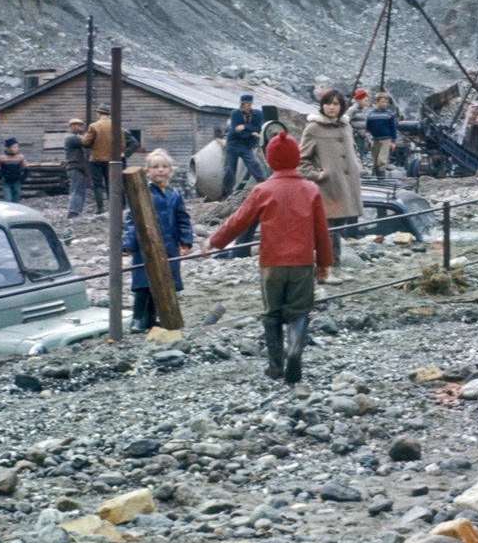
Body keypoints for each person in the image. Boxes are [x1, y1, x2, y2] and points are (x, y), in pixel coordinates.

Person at [203, 131, 333, 384]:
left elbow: (238, 221)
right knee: (299, 311)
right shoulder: (311, 189)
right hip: (302, 264)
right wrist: (324, 263)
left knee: (272, 314)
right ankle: (295, 349)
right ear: (297, 159)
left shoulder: (262, 190)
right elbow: (321, 231)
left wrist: (214, 241)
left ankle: (275, 366)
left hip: (271, 265)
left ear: (270, 161)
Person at [122, 149, 192, 333]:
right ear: (147, 172)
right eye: (155, 167)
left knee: (163, 283)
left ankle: (153, 318)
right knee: (144, 285)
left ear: (170, 170)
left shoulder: (174, 195)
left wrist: (185, 241)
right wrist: (129, 243)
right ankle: (138, 319)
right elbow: (131, 219)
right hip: (145, 247)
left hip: (169, 245)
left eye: (164, 166)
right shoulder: (143, 193)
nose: (160, 170)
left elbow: (183, 219)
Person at [299, 89, 363, 270]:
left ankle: (336, 266)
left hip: (346, 186)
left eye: (336, 104)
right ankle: (325, 269)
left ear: (342, 106)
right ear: (322, 106)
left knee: (338, 229)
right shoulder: (313, 128)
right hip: (327, 187)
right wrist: (316, 174)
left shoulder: (346, 126)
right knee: (326, 231)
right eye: (328, 103)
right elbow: (301, 159)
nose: (331, 108)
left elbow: (353, 150)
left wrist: (357, 166)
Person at [81, 103, 140, 214]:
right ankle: (116, 207)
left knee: (97, 183)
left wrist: (95, 144)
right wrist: (122, 153)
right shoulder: (117, 126)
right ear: (108, 114)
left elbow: (85, 142)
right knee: (113, 183)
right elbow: (123, 144)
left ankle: (100, 209)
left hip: (96, 159)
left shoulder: (94, 126)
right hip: (113, 160)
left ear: (98, 113)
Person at [221, 94, 266, 198]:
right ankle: (227, 193)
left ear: (249, 104)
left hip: (246, 145)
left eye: (244, 103)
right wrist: (251, 133)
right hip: (233, 144)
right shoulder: (235, 114)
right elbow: (236, 131)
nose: (242, 105)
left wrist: (245, 126)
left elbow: (258, 129)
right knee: (230, 169)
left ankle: (263, 185)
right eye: (241, 103)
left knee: (254, 163)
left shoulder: (258, 114)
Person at [365, 92, 397, 178]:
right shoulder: (371, 114)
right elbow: (367, 127)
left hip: (386, 139)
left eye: (385, 102)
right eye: (382, 102)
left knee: (381, 161)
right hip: (374, 139)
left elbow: (393, 128)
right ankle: (376, 179)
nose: (384, 104)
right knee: (375, 162)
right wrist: (367, 138)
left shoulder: (389, 114)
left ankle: (381, 180)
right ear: (377, 101)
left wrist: (393, 141)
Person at [0, 137, 28, 203]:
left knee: (16, 199)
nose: (16, 149)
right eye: (13, 147)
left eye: (17, 147)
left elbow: (26, 169)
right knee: (8, 199)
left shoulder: (20, 157)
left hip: (16, 181)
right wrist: (1, 177)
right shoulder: (2, 157)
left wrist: (21, 178)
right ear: (8, 148)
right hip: (6, 181)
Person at [64, 118, 88, 218]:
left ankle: (76, 211)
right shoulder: (71, 137)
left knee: (79, 189)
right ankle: (73, 212)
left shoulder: (73, 137)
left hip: (77, 167)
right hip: (75, 166)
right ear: (72, 126)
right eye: (78, 126)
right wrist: (87, 133)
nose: (79, 128)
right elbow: (86, 142)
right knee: (77, 190)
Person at [348, 89, 371, 158]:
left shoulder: (361, 110)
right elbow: (346, 121)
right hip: (356, 136)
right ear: (358, 101)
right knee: (355, 154)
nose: (366, 103)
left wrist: (366, 132)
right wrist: (353, 131)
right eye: (365, 101)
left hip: (362, 135)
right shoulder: (352, 110)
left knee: (361, 153)